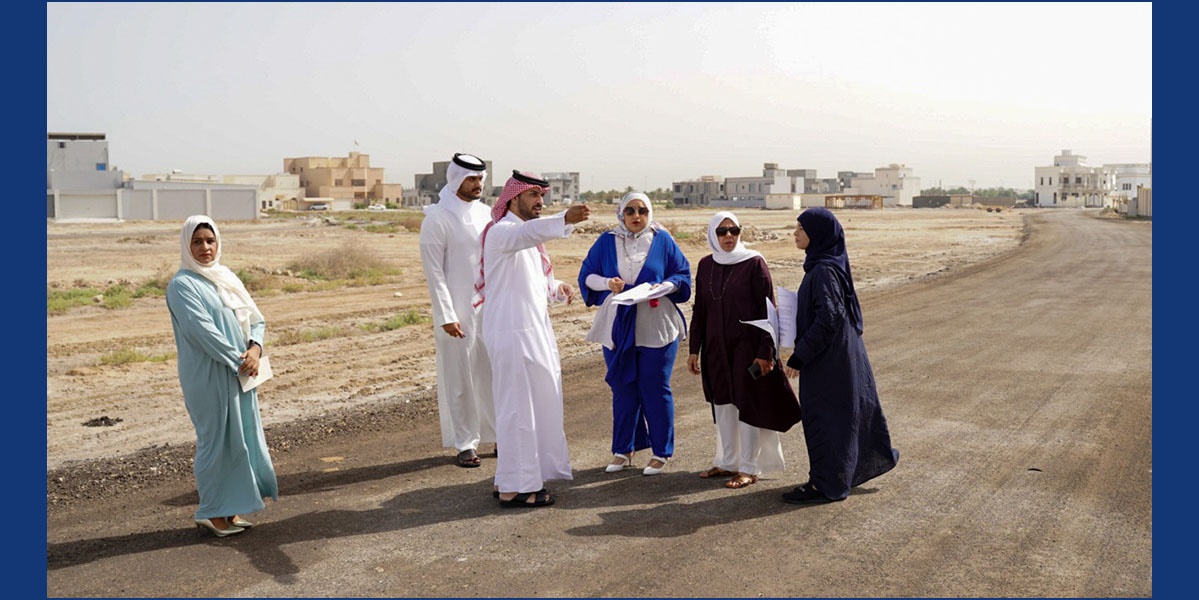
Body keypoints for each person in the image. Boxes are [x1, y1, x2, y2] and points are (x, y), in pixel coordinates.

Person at [474, 170, 591, 507]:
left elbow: (534, 280)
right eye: (533, 196)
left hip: (529, 330)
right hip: (512, 332)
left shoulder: (522, 238)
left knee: (534, 405)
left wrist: (557, 288)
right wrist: (563, 219)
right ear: (513, 198)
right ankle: (516, 489)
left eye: (543, 197)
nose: (540, 202)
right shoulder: (503, 232)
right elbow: (528, 233)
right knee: (517, 409)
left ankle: (510, 478)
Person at [165, 215, 279, 537]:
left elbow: (256, 319)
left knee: (240, 440)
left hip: (241, 370)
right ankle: (211, 511)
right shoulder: (182, 284)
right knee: (216, 441)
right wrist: (240, 361)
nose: (205, 247)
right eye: (197, 241)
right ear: (186, 245)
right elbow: (204, 332)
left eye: (210, 240)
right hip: (209, 375)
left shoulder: (226, 277)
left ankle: (230, 511)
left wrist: (255, 350)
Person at [782, 207, 899, 504]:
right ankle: (834, 475)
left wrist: (800, 356)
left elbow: (829, 319)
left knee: (824, 417)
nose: (795, 233)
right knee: (837, 416)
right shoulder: (824, 265)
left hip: (829, 360)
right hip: (837, 355)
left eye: (800, 229)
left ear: (817, 235)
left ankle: (825, 485)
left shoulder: (823, 271)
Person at [578, 192, 691, 476]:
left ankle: (661, 452)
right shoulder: (607, 240)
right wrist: (608, 283)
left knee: (655, 387)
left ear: (649, 213)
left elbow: (683, 276)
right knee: (623, 387)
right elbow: (587, 275)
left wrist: (664, 286)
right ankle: (623, 449)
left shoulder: (663, 239)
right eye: (630, 211)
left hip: (657, 325)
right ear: (621, 213)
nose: (636, 216)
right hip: (618, 324)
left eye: (642, 210)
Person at [687, 211, 802, 490]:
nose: (728, 236)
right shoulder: (705, 265)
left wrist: (766, 351)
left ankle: (749, 468)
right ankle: (728, 461)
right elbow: (700, 310)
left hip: (747, 348)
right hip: (715, 348)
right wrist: (694, 349)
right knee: (723, 404)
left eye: (734, 230)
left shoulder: (753, 262)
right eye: (722, 231)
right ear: (712, 234)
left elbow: (769, 310)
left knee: (747, 406)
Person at [418, 152, 496, 468]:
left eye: (481, 179)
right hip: (457, 314)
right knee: (460, 377)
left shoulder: (489, 214)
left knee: (491, 373)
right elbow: (434, 272)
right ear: (456, 180)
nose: (478, 184)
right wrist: (446, 315)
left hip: (489, 310)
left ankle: (498, 436)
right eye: (472, 179)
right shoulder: (437, 218)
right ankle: (465, 442)